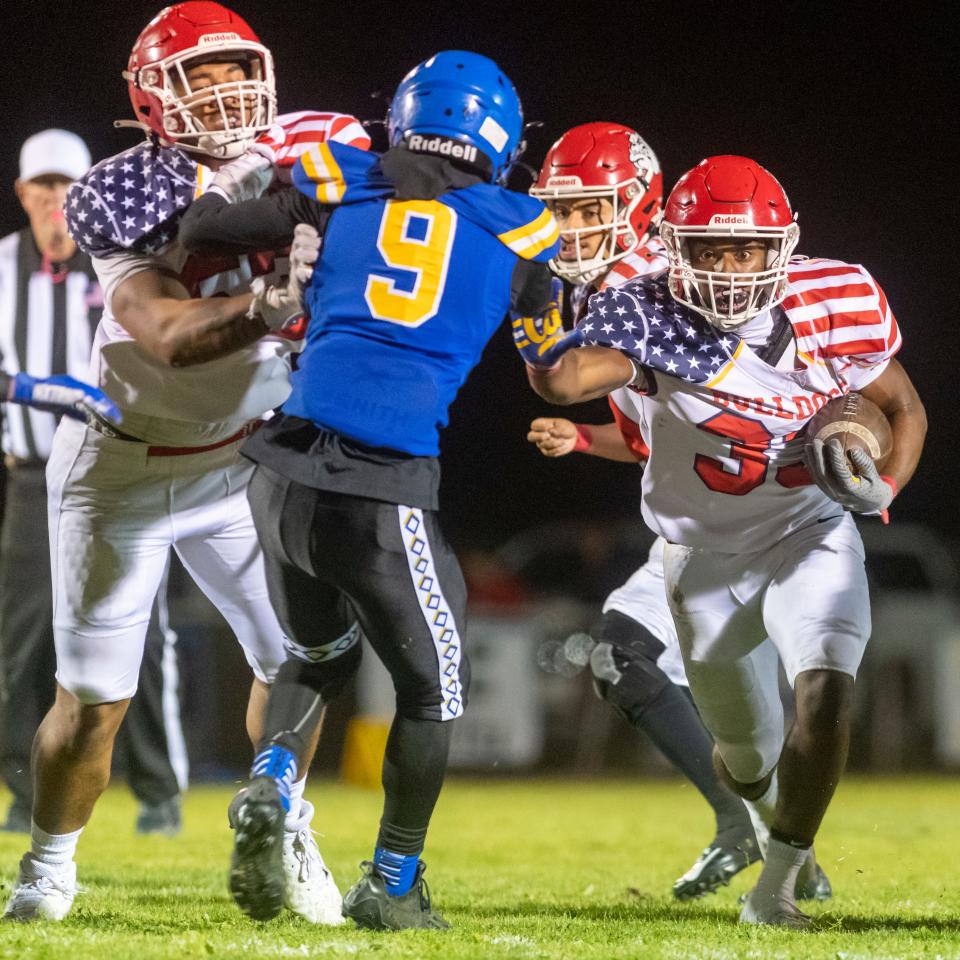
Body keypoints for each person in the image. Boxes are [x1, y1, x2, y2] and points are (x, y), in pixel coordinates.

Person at [3, 1, 368, 924]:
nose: (224, 94)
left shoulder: (310, 152)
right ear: (150, 96)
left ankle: (287, 825)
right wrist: (269, 306)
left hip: (242, 463)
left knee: (293, 657)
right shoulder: (120, 188)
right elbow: (163, 333)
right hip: (121, 468)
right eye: (196, 78)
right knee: (93, 704)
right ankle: (48, 868)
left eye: (235, 72)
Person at [178, 49, 560, 930]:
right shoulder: (525, 228)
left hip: (276, 472)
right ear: (495, 135)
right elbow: (553, 361)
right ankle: (392, 885)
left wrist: (216, 179)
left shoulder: (338, 176)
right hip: (380, 482)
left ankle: (270, 779)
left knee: (320, 656)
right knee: (436, 689)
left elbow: (209, 234)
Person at [515, 154, 925, 927]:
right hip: (701, 560)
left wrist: (885, 486)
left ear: (784, 248)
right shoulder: (645, 311)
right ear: (676, 248)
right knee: (746, 758)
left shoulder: (835, 295)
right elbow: (564, 382)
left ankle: (775, 890)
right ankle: (759, 813)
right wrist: (530, 302)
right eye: (710, 250)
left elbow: (902, 407)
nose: (730, 271)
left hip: (809, 532)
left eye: (746, 251)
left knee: (827, 687)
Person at [528, 121, 776, 900]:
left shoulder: (650, 289)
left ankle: (776, 843)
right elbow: (660, 439)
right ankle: (748, 828)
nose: (570, 228)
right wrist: (585, 439)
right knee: (618, 655)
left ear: (637, 204)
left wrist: (534, 333)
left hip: (767, 519)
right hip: (708, 513)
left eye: (586, 209)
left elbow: (567, 376)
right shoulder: (612, 290)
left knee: (771, 703)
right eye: (559, 211)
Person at [0, 128, 188, 840]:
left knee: (147, 635)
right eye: (41, 188)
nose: (54, 202)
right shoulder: (1, 268)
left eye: (66, 189)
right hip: (29, 481)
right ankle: (26, 791)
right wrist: (35, 390)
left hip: (121, 474)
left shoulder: (123, 261)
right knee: (21, 641)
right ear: (23, 194)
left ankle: (159, 791)